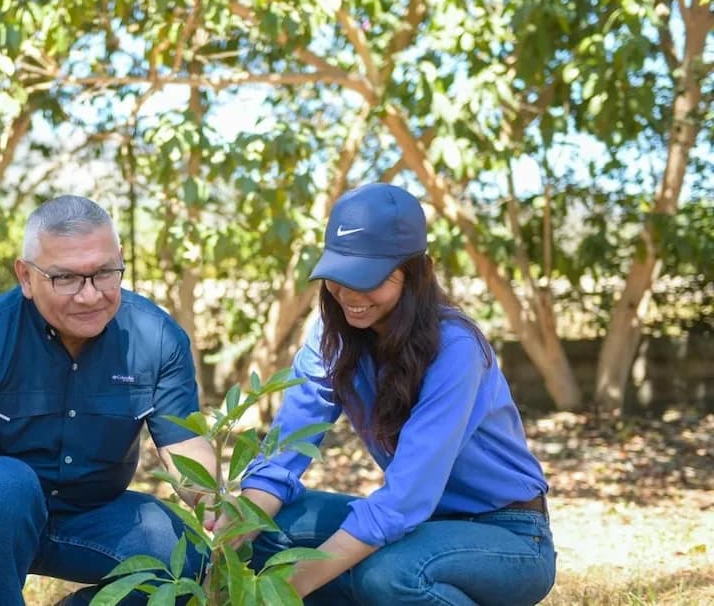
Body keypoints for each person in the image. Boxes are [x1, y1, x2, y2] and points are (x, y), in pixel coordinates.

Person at [229, 183, 557, 604]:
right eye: (339, 276)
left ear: (418, 273)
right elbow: (283, 453)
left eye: (369, 278)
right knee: (265, 531)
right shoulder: (333, 337)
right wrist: (235, 530)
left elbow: (404, 500)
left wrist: (287, 590)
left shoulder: (456, 349)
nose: (350, 294)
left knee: (388, 577)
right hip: (424, 527)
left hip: (508, 534)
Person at [0, 195, 215, 606]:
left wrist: (218, 506)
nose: (89, 296)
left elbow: (184, 447)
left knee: (188, 558)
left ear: (121, 259)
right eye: (65, 278)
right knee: (0, 484)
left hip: (97, 515)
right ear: (25, 276)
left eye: (104, 273)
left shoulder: (157, 337)